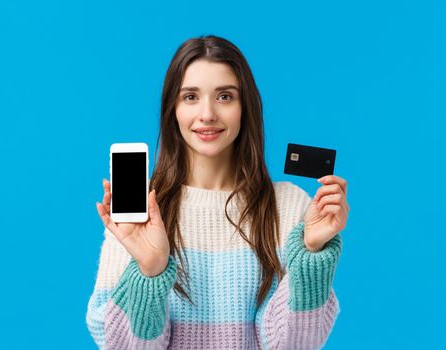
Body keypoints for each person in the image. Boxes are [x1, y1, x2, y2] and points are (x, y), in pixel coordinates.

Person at [86, 35, 350, 350]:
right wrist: (150, 270)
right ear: (173, 109)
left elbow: (292, 344)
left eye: (225, 96)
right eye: (190, 97)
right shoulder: (142, 210)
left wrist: (310, 253)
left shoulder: (288, 204)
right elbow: (116, 344)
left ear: (245, 107)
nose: (208, 113)